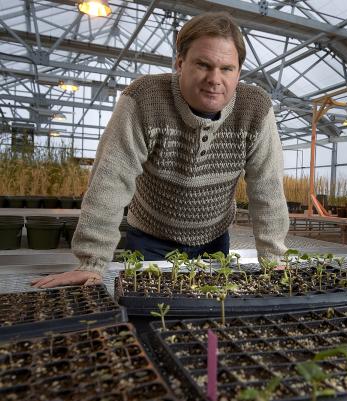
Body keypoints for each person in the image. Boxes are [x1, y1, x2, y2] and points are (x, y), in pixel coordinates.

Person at [32, 12, 289, 288]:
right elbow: (110, 180)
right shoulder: (144, 99)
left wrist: (273, 257)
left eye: (227, 68)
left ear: (239, 72)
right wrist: (91, 261)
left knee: (210, 313)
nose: (215, 79)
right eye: (203, 64)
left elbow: (267, 187)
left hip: (215, 239)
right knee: (149, 314)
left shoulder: (255, 108)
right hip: (150, 239)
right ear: (180, 63)